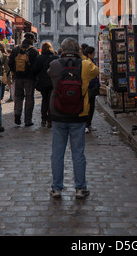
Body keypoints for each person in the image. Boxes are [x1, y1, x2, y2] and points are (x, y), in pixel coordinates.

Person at [48, 37, 99, 199]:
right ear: (78, 50)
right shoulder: (84, 65)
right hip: (78, 115)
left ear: (62, 50)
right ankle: (80, 188)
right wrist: (82, 56)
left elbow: (50, 75)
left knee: (57, 153)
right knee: (78, 153)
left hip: (58, 114)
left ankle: (56, 188)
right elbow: (96, 71)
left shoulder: (55, 64)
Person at [8, 32, 39, 126]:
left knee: (18, 97)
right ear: (32, 40)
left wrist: (14, 72)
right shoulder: (34, 51)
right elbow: (36, 66)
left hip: (17, 77)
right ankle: (27, 120)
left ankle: (17, 115)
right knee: (29, 98)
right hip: (29, 78)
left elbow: (10, 63)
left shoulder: (16, 49)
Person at [30, 41, 58, 128]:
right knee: (51, 100)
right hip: (52, 82)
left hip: (42, 82)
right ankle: (50, 120)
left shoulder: (39, 58)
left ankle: (43, 119)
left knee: (44, 100)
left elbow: (34, 69)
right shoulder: (55, 58)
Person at [85, 46, 100, 133]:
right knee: (88, 107)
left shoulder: (92, 62)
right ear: (89, 54)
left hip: (92, 86)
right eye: (93, 53)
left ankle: (88, 124)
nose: (94, 55)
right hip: (88, 87)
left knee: (91, 107)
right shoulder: (87, 62)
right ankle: (86, 125)